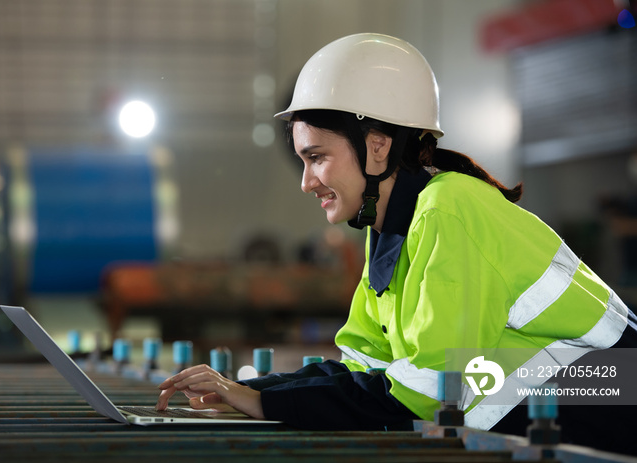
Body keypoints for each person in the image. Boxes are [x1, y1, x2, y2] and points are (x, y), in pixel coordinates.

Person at [157, 33, 637, 453]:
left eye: (317, 157)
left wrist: (263, 402)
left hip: (610, 399)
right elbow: (366, 368)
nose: (306, 182)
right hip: (556, 419)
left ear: (378, 145)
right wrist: (245, 389)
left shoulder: (449, 207)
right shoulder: (390, 231)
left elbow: (427, 391)